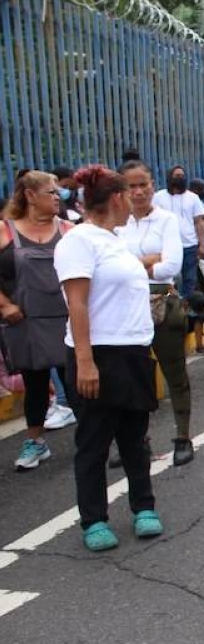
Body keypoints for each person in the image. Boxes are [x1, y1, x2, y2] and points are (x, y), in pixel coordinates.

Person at [54, 164, 162, 552]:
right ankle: (94, 519)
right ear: (116, 198)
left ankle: (143, 507)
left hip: (132, 352)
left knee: (135, 438)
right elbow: (77, 303)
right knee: (94, 442)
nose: (135, 198)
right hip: (99, 354)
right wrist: (85, 361)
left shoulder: (115, 239)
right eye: (128, 193)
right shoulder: (78, 241)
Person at [116, 160, 194, 466]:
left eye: (143, 184)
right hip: (126, 308)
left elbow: (170, 266)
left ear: (152, 185)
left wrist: (133, 265)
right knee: (133, 377)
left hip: (163, 306)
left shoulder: (167, 220)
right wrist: (147, 261)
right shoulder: (117, 222)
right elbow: (109, 264)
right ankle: (137, 441)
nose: (138, 192)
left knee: (175, 374)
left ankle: (183, 437)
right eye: (130, 186)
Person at [0, 171, 75, 470]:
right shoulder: (6, 230)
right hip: (26, 321)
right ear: (30, 196)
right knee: (36, 385)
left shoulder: (69, 229)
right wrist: (4, 305)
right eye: (50, 192)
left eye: (58, 192)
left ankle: (94, 439)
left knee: (77, 383)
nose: (58, 197)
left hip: (67, 319)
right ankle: (35, 442)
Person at [153, 165, 204, 299]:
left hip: (189, 245)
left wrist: (202, 244)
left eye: (182, 176)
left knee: (190, 279)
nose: (180, 179)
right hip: (166, 246)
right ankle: (171, 307)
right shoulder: (158, 197)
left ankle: (186, 309)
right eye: (177, 176)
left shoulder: (193, 198)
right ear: (169, 177)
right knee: (169, 278)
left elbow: (199, 222)